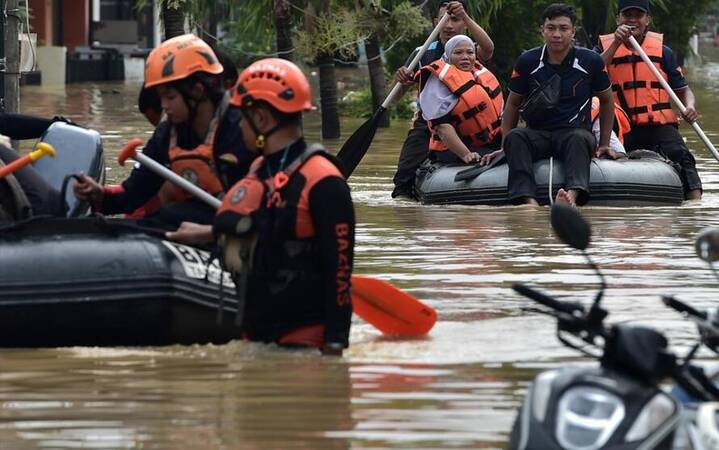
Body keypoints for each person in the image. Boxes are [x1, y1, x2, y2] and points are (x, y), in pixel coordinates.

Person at [166, 59, 355, 356]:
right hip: (256, 337)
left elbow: (340, 274)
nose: (239, 126)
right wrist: (209, 232)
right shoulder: (259, 169)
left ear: (261, 119)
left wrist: (334, 348)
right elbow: (265, 230)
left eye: (242, 118)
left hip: (305, 345)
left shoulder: (324, 182)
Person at [74, 34, 254, 227]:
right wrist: (100, 194)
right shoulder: (167, 133)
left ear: (197, 91)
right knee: (169, 215)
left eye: (170, 97)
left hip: (240, 224)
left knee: (173, 213)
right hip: (193, 218)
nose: (164, 106)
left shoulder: (241, 127)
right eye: (161, 97)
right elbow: (134, 193)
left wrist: (213, 232)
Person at [482, 3, 615, 207]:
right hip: (538, 134)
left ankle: (571, 195)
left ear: (573, 32)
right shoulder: (527, 61)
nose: (557, 34)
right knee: (516, 137)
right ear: (542, 30)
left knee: (579, 138)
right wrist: (503, 146)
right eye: (551, 28)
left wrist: (604, 144)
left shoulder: (591, 61)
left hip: (574, 133)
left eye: (563, 28)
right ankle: (528, 201)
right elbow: (513, 104)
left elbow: (606, 100)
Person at [596, 0, 702, 200]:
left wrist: (689, 106)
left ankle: (695, 203)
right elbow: (593, 70)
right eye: (627, 15)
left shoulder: (663, 52)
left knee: (681, 155)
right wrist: (617, 43)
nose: (632, 20)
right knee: (605, 159)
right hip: (619, 126)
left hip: (656, 125)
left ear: (648, 20)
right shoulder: (604, 48)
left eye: (638, 15)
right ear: (618, 19)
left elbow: (684, 90)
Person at [391, 0, 494, 197]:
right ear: (435, 22)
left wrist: (464, 16)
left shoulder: (470, 51)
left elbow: (488, 48)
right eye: (443, 20)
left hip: (471, 122)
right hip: (429, 124)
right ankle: (406, 197)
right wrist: (401, 81)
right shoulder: (422, 53)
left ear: (464, 23)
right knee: (405, 173)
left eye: (455, 19)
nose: (448, 26)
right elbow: (396, 97)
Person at [417, 35, 503, 164]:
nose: (465, 57)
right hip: (452, 148)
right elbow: (441, 127)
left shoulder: (477, 73)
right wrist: (466, 154)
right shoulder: (437, 82)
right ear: (448, 55)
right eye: (458, 53)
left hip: (487, 142)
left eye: (470, 52)